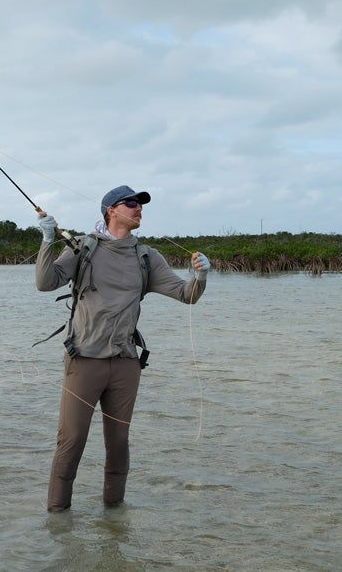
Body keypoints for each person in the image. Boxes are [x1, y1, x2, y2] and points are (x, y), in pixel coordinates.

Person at [35, 185, 210, 512]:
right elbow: (45, 282)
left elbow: (187, 295)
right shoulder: (83, 248)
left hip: (126, 364)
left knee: (118, 444)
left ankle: (115, 522)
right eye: (131, 203)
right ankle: (58, 525)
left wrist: (199, 277)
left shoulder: (147, 257)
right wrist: (48, 240)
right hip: (84, 362)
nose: (138, 208)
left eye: (141, 204)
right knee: (71, 442)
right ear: (110, 210)